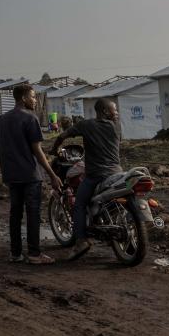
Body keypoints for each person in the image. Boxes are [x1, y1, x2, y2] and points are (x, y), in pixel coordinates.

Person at [0, 84, 62, 265]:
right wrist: (52, 175)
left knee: (15, 213)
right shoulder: (30, 118)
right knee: (32, 213)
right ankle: (34, 254)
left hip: (12, 175)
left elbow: (0, 149)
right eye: (32, 96)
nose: (35, 100)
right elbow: (37, 151)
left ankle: (15, 253)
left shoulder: (2, 119)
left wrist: (5, 171)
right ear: (23, 98)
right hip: (30, 175)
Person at [50, 98, 123, 261]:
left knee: (79, 204)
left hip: (96, 175)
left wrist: (54, 149)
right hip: (117, 173)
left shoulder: (86, 125)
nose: (117, 113)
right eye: (114, 110)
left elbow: (62, 136)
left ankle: (81, 241)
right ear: (105, 111)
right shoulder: (116, 126)